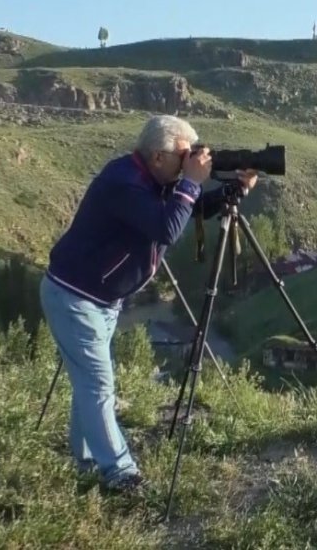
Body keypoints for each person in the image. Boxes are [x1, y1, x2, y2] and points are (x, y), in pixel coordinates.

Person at [40, 114, 258, 494]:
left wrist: (231, 191)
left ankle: (87, 462)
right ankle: (120, 474)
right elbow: (166, 228)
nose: (190, 161)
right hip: (76, 298)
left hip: (101, 300)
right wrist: (190, 182)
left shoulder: (148, 179)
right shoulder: (123, 183)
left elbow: (184, 210)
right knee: (97, 385)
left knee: (89, 385)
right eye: (184, 155)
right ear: (159, 157)